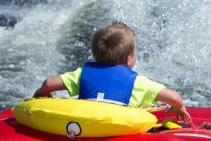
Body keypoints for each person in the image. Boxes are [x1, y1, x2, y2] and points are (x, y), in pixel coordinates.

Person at [34, 21, 191, 123]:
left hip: (85, 125)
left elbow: (48, 84)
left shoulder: (83, 73)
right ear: (129, 59)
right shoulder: (137, 82)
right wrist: (179, 107)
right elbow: (175, 98)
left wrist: (42, 94)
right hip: (117, 130)